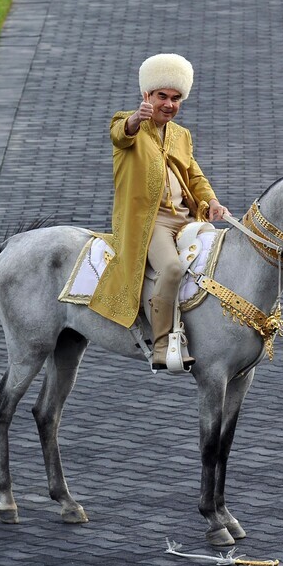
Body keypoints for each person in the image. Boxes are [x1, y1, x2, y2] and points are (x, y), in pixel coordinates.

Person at [89, 53, 230, 370]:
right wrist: (136, 120)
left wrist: (213, 201)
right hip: (151, 224)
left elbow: (194, 176)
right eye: (161, 96)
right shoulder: (126, 122)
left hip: (187, 220)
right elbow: (119, 134)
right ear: (146, 96)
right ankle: (163, 344)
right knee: (173, 269)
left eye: (176, 98)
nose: (169, 104)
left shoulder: (182, 135)